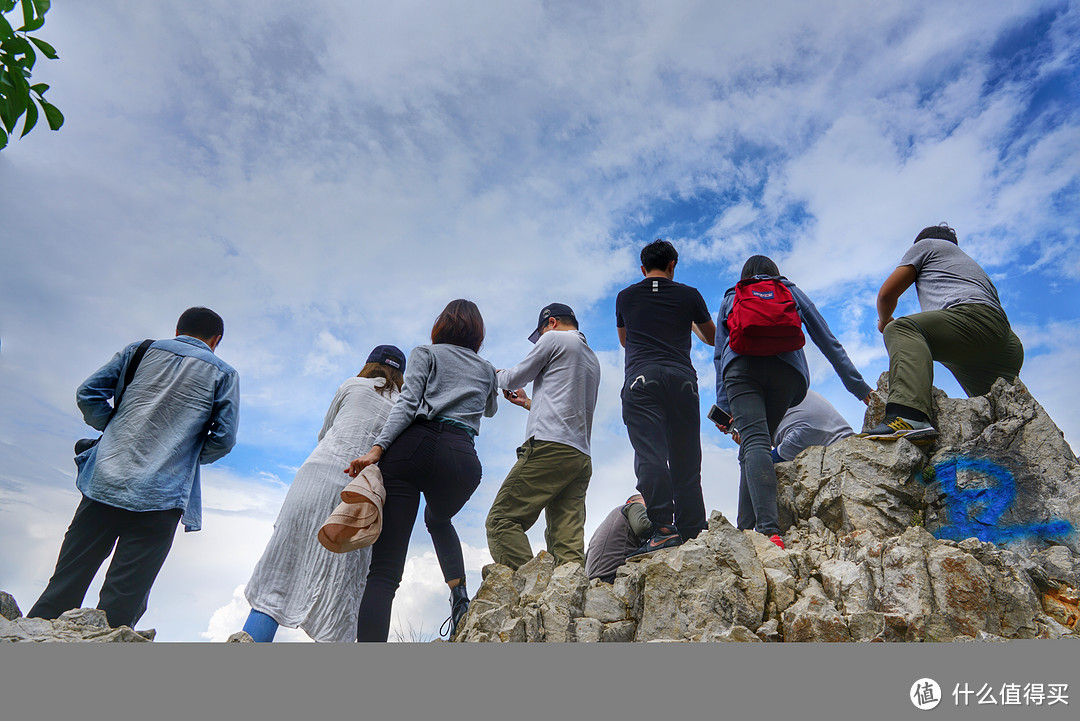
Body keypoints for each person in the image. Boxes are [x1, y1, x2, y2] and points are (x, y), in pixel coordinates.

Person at [29, 307, 239, 629]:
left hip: (105, 483)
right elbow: (223, 439)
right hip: (161, 499)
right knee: (123, 602)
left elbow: (88, 394)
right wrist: (183, 456)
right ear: (216, 340)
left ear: (178, 329)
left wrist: (113, 429)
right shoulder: (224, 374)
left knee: (65, 584)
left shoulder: (139, 351)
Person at [345, 300, 500, 642]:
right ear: (478, 334)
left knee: (384, 573)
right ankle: (459, 596)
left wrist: (376, 449)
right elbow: (489, 409)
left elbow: (407, 403)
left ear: (441, 325)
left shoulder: (425, 353)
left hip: (413, 448)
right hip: (461, 457)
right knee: (439, 520)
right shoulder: (487, 369)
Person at [241, 345, 407, 643]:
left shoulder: (351, 385)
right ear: (401, 375)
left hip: (314, 477)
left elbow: (325, 433)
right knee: (341, 588)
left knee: (279, 571)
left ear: (369, 365)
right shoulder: (404, 406)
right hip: (357, 493)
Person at [714, 257, 871, 549]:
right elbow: (827, 340)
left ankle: (767, 532)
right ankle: (747, 526)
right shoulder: (790, 290)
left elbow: (720, 355)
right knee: (755, 446)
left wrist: (724, 409)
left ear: (745, 275)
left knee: (755, 443)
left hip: (742, 371)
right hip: (787, 375)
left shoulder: (733, 295)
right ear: (775, 274)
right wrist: (858, 387)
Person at [862, 223, 1024, 441]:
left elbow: (886, 295)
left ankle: (909, 416)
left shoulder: (927, 245)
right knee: (1001, 413)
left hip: (974, 323)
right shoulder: (968, 264)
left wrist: (884, 321)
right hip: (1004, 343)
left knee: (900, 328)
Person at [616, 239, 716, 556]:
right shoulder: (689, 295)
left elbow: (624, 340)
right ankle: (693, 531)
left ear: (643, 268)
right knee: (687, 459)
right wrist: (686, 321)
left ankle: (662, 530)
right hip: (682, 380)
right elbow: (713, 337)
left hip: (642, 380)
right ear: (673, 266)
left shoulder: (626, 297)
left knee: (651, 455)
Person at [486, 303, 601, 570]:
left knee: (502, 520)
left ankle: (535, 589)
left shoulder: (554, 338)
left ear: (550, 323)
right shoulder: (591, 358)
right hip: (580, 456)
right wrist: (528, 403)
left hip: (549, 448)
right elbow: (567, 405)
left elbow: (515, 377)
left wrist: (493, 373)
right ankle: (568, 596)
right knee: (567, 542)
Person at [769, 389, 855, 463]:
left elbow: (760, 449)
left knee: (760, 464)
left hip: (799, 436)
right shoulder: (796, 386)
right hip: (844, 435)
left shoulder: (760, 403)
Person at [585, 494, 653, 583]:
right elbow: (643, 528)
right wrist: (663, 527)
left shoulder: (604, 525)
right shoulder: (634, 506)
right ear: (629, 502)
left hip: (594, 577)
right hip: (612, 575)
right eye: (647, 503)